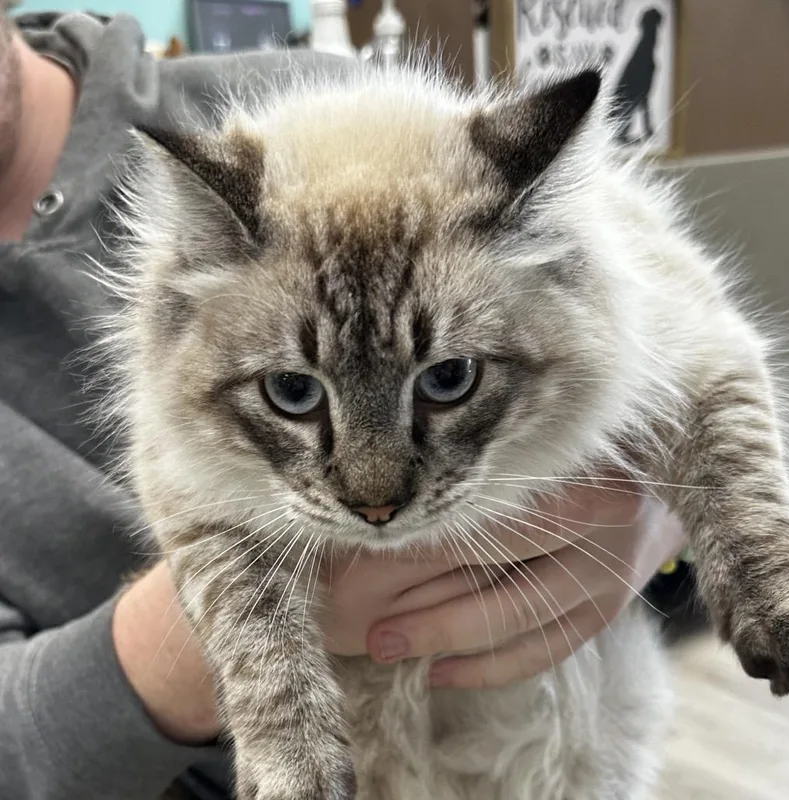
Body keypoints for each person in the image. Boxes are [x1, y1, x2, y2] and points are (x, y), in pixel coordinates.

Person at [0, 10, 690, 800]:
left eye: (447, 377)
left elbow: (682, 339)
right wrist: (214, 641)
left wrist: (660, 513)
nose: (374, 495)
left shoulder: (349, 109)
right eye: (293, 391)